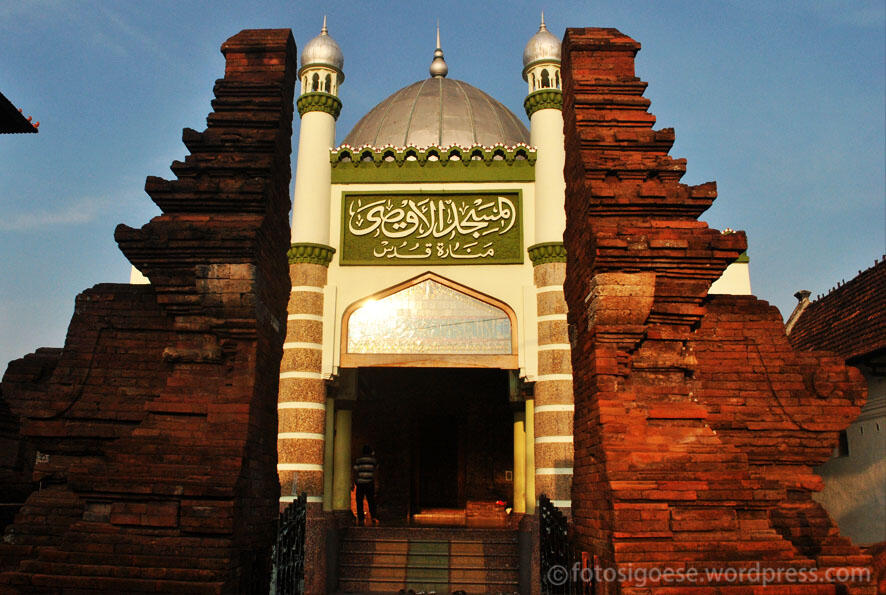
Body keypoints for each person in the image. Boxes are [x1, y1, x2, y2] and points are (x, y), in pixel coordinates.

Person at [352, 444, 378, 525]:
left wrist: (354, 481)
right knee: (371, 500)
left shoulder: (358, 460)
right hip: (369, 483)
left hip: (360, 483)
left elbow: (355, 471)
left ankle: (361, 518)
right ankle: (373, 516)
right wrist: (376, 482)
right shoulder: (373, 460)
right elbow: (376, 472)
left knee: (359, 501)